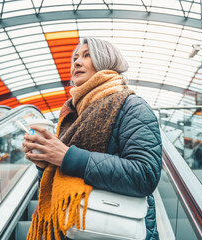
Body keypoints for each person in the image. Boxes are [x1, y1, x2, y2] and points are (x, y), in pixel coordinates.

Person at [22, 38, 162, 240]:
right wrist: (44, 163)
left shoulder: (132, 106)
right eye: (75, 58)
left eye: (87, 55)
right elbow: (58, 182)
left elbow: (145, 174)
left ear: (106, 60)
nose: (76, 63)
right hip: (69, 228)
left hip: (114, 228)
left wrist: (67, 157)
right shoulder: (71, 115)